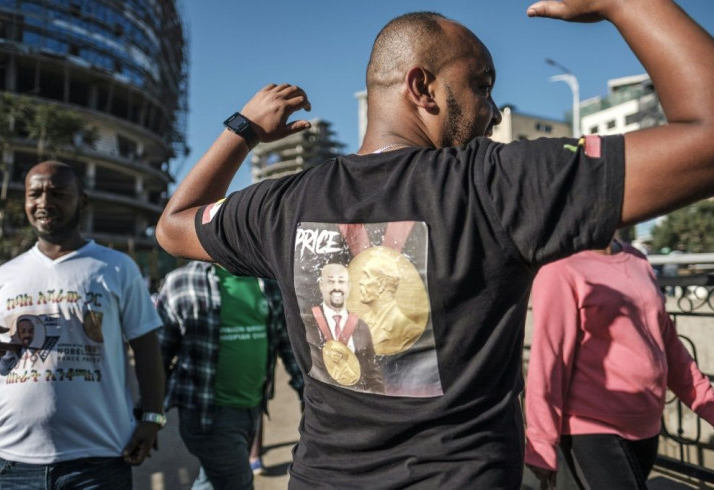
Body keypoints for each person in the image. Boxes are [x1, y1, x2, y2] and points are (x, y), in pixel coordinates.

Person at [156, 1, 714, 487]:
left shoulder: (283, 204)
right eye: (481, 85)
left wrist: (244, 129)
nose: (493, 111)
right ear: (422, 87)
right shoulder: (495, 184)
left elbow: (173, 226)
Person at [0, 161, 165, 488]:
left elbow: (147, 350)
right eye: (34, 193)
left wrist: (152, 418)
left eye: (58, 193)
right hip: (11, 464)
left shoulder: (117, 268)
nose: (44, 202)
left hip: (98, 460)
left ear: (83, 200)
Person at [524, 238, 714, 489]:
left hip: (646, 426)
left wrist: (707, 403)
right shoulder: (559, 267)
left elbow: (669, 346)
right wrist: (540, 441)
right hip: (591, 426)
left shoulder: (637, 259)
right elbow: (550, 358)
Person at [155, 261, 303, 489]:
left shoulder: (267, 281)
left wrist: (310, 395)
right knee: (238, 483)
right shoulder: (182, 282)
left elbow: (288, 347)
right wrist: (148, 414)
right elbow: (159, 356)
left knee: (211, 482)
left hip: (251, 410)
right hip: (207, 415)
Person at [304, 262, 383, 392]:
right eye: (330, 282)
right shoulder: (308, 323)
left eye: (341, 282)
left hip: (358, 403)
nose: (336, 287)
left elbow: (373, 373)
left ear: (349, 286)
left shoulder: (361, 326)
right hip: (325, 404)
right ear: (321, 286)